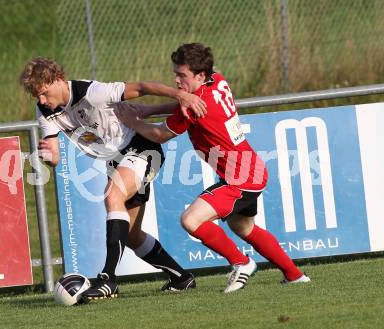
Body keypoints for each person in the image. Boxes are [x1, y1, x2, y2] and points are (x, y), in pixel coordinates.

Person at [117, 43, 310, 293]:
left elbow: (159, 135)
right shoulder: (217, 80)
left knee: (191, 219)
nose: (176, 80)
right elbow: (186, 102)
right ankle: (295, 276)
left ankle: (241, 263)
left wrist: (132, 120)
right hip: (251, 170)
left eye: (182, 75)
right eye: (175, 73)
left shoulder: (196, 106)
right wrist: (151, 109)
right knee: (244, 227)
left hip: (239, 178)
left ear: (199, 75)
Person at [19, 57, 206, 300]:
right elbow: (54, 158)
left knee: (112, 195)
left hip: (141, 148)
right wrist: (47, 156)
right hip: (116, 159)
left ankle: (108, 279)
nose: (42, 100)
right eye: (37, 96)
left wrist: (180, 95)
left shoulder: (93, 92)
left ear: (57, 80)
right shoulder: (45, 110)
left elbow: (140, 87)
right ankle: (181, 278)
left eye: (44, 93)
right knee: (130, 235)